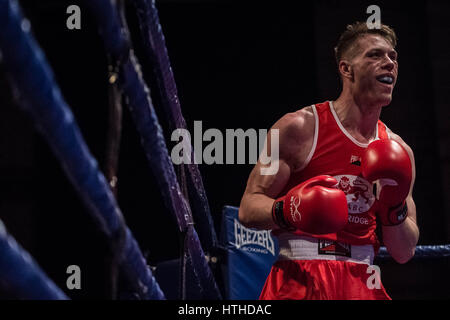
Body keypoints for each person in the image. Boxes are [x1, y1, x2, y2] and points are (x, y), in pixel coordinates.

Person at [238, 21, 419, 300]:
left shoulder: (399, 151)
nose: (389, 63)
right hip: (299, 274)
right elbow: (249, 208)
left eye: (393, 57)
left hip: (363, 279)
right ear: (346, 69)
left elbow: (404, 252)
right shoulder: (299, 128)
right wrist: (290, 210)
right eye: (375, 55)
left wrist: (394, 204)